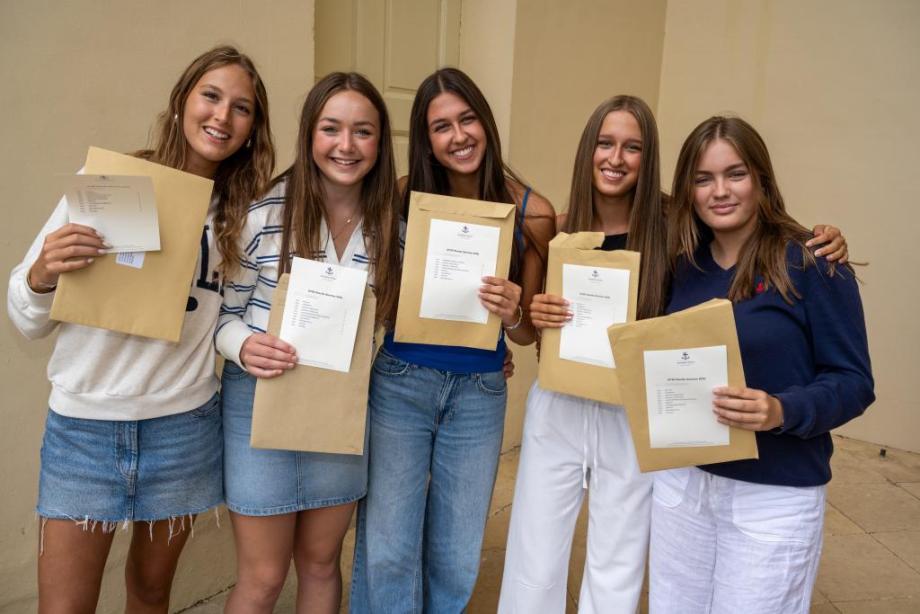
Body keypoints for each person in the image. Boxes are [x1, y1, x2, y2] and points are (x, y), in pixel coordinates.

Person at [498, 97, 849, 613]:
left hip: (633, 411)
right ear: (587, 149)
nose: (616, 157)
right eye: (605, 142)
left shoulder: (674, 228)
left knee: (619, 560)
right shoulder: (558, 226)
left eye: (632, 146)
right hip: (560, 403)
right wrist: (533, 315)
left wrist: (824, 238)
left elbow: (748, 228)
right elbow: (527, 331)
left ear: (650, 156)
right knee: (533, 551)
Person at [7, 46, 273, 613]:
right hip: (84, 429)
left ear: (252, 129)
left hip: (182, 430)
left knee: (150, 598)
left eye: (241, 107)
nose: (222, 116)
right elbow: (25, 320)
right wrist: (41, 273)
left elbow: (238, 315)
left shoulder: (242, 215)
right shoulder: (110, 184)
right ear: (181, 103)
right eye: (211, 96)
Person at [349, 67, 555, 613]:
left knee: (456, 551)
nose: (458, 136)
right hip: (400, 381)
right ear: (426, 139)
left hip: (480, 391)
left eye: (467, 120)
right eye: (442, 127)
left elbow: (529, 333)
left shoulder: (534, 213)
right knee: (390, 546)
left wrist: (512, 315)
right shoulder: (399, 200)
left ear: (485, 123)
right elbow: (380, 299)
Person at [648, 116, 874, 613]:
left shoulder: (814, 263)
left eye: (736, 174)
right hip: (682, 485)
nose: (720, 191)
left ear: (762, 180)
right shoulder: (682, 264)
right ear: (688, 190)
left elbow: (854, 382)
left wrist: (780, 410)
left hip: (773, 491)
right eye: (704, 179)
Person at [215, 72, 402, 614]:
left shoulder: (394, 229)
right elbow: (223, 317)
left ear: (379, 143)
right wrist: (244, 346)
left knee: (322, 564)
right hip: (260, 404)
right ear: (309, 134)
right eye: (331, 129)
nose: (346, 146)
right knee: (264, 578)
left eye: (363, 132)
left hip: (340, 408)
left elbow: (395, 323)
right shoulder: (264, 213)